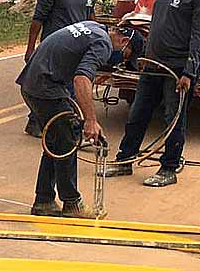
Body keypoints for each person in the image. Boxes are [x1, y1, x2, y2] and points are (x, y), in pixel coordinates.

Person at [103, 0, 200, 187]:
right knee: (138, 113)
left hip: (178, 69)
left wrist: (189, 71)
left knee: (173, 118)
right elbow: (156, 24)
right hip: (153, 63)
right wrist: (143, 54)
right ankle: (125, 160)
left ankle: (169, 167)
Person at [17, 21, 135, 218]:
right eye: (125, 55)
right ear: (123, 41)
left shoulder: (93, 26)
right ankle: (72, 203)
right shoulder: (103, 43)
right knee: (67, 140)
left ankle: (44, 200)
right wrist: (90, 120)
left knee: (55, 142)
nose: (119, 60)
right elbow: (81, 79)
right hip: (45, 87)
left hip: (32, 83)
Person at [23, 0, 99, 136]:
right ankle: (42, 123)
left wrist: (99, 31)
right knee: (50, 88)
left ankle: (54, 124)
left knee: (66, 89)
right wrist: (30, 48)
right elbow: (38, 20)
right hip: (54, 49)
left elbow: (90, 15)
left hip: (77, 48)